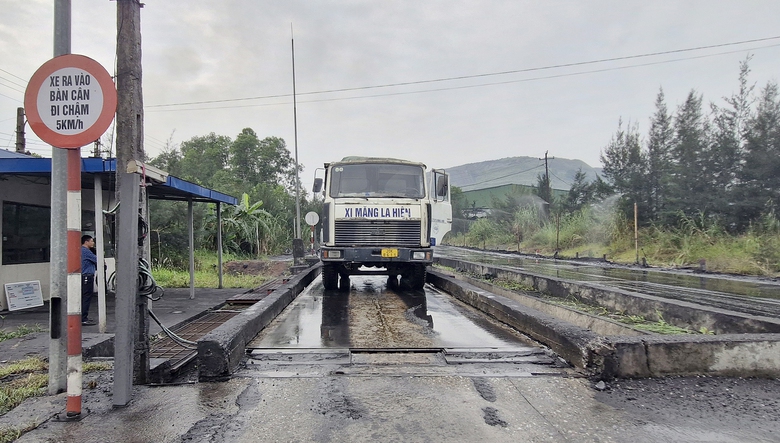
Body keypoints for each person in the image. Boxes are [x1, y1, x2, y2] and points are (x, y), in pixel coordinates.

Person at [81, 235, 97, 326]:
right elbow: (97, 260)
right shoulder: (86, 251)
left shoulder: (84, 251)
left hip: (85, 276)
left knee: (85, 297)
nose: (93, 243)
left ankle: (84, 317)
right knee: (86, 297)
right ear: (86, 242)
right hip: (87, 276)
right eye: (91, 241)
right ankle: (83, 318)